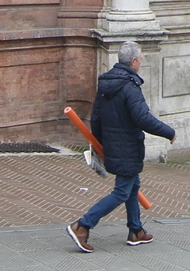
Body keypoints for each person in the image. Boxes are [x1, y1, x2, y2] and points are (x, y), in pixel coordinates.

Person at [68, 42, 175, 252]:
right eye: (141, 60)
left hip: (114, 145)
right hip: (128, 146)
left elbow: (95, 118)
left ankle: (136, 230)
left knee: (133, 185)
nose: (141, 63)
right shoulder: (130, 86)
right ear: (133, 61)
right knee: (121, 192)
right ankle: (83, 225)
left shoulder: (106, 84)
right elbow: (143, 118)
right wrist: (168, 132)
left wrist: (101, 143)